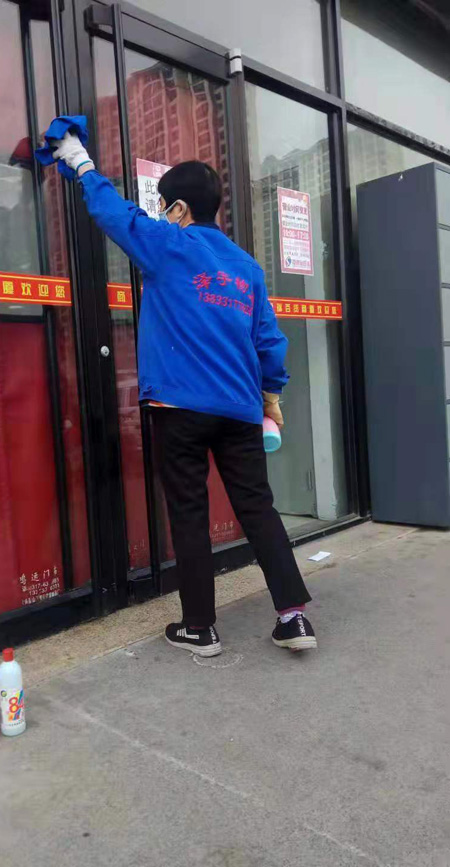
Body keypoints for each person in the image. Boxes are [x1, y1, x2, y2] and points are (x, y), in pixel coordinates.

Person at [51, 130, 316, 657]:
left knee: (190, 513)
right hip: (240, 411)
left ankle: (200, 628)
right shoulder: (247, 268)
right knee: (258, 509)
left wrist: (80, 162)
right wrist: (271, 397)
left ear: (177, 208)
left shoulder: (169, 245)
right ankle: (293, 619)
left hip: (180, 409)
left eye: (163, 206)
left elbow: (113, 213)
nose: (160, 214)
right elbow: (269, 342)